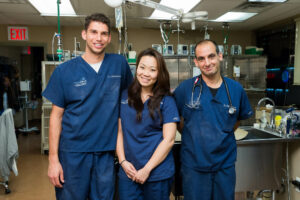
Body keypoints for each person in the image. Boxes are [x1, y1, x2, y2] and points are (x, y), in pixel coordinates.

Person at [42, 13, 133, 200]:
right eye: (93, 32)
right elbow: (56, 117)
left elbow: (130, 102)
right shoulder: (64, 71)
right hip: (72, 154)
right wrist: (53, 160)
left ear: (109, 38)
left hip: (105, 154)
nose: (98, 38)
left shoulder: (119, 65)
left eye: (104, 33)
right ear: (84, 34)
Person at [173, 39, 253, 200]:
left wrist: (221, 131)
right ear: (196, 62)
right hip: (194, 166)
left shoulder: (236, 90)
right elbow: (176, 121)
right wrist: (193, 134)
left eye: (211, 56)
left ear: (220, 56)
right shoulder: (185, 89)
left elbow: (236, 121)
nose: (207, 62)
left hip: (224, 165)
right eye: (201, 59)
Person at [116, 48, 179, 200]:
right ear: (136, 68)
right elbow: (119, 132)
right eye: (142, 67)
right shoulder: (124, 95)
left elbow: (169, 140)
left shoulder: (167, 101)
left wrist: (147, 169)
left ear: (159, 74)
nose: (145, 73)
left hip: (157, 173)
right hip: (128, 172)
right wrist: (123, 161)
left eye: (152, 70)